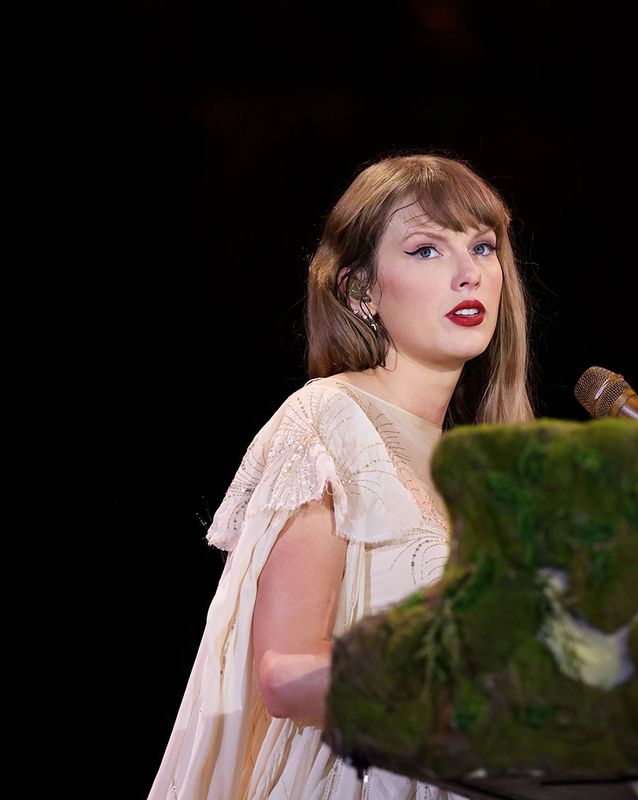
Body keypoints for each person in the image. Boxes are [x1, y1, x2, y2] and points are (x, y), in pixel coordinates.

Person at [148, 152, 536, 799]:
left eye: (483, 247)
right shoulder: (329, 421)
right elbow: (285, 676)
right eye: (426, 251)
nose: (470, 273)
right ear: (360, 291)